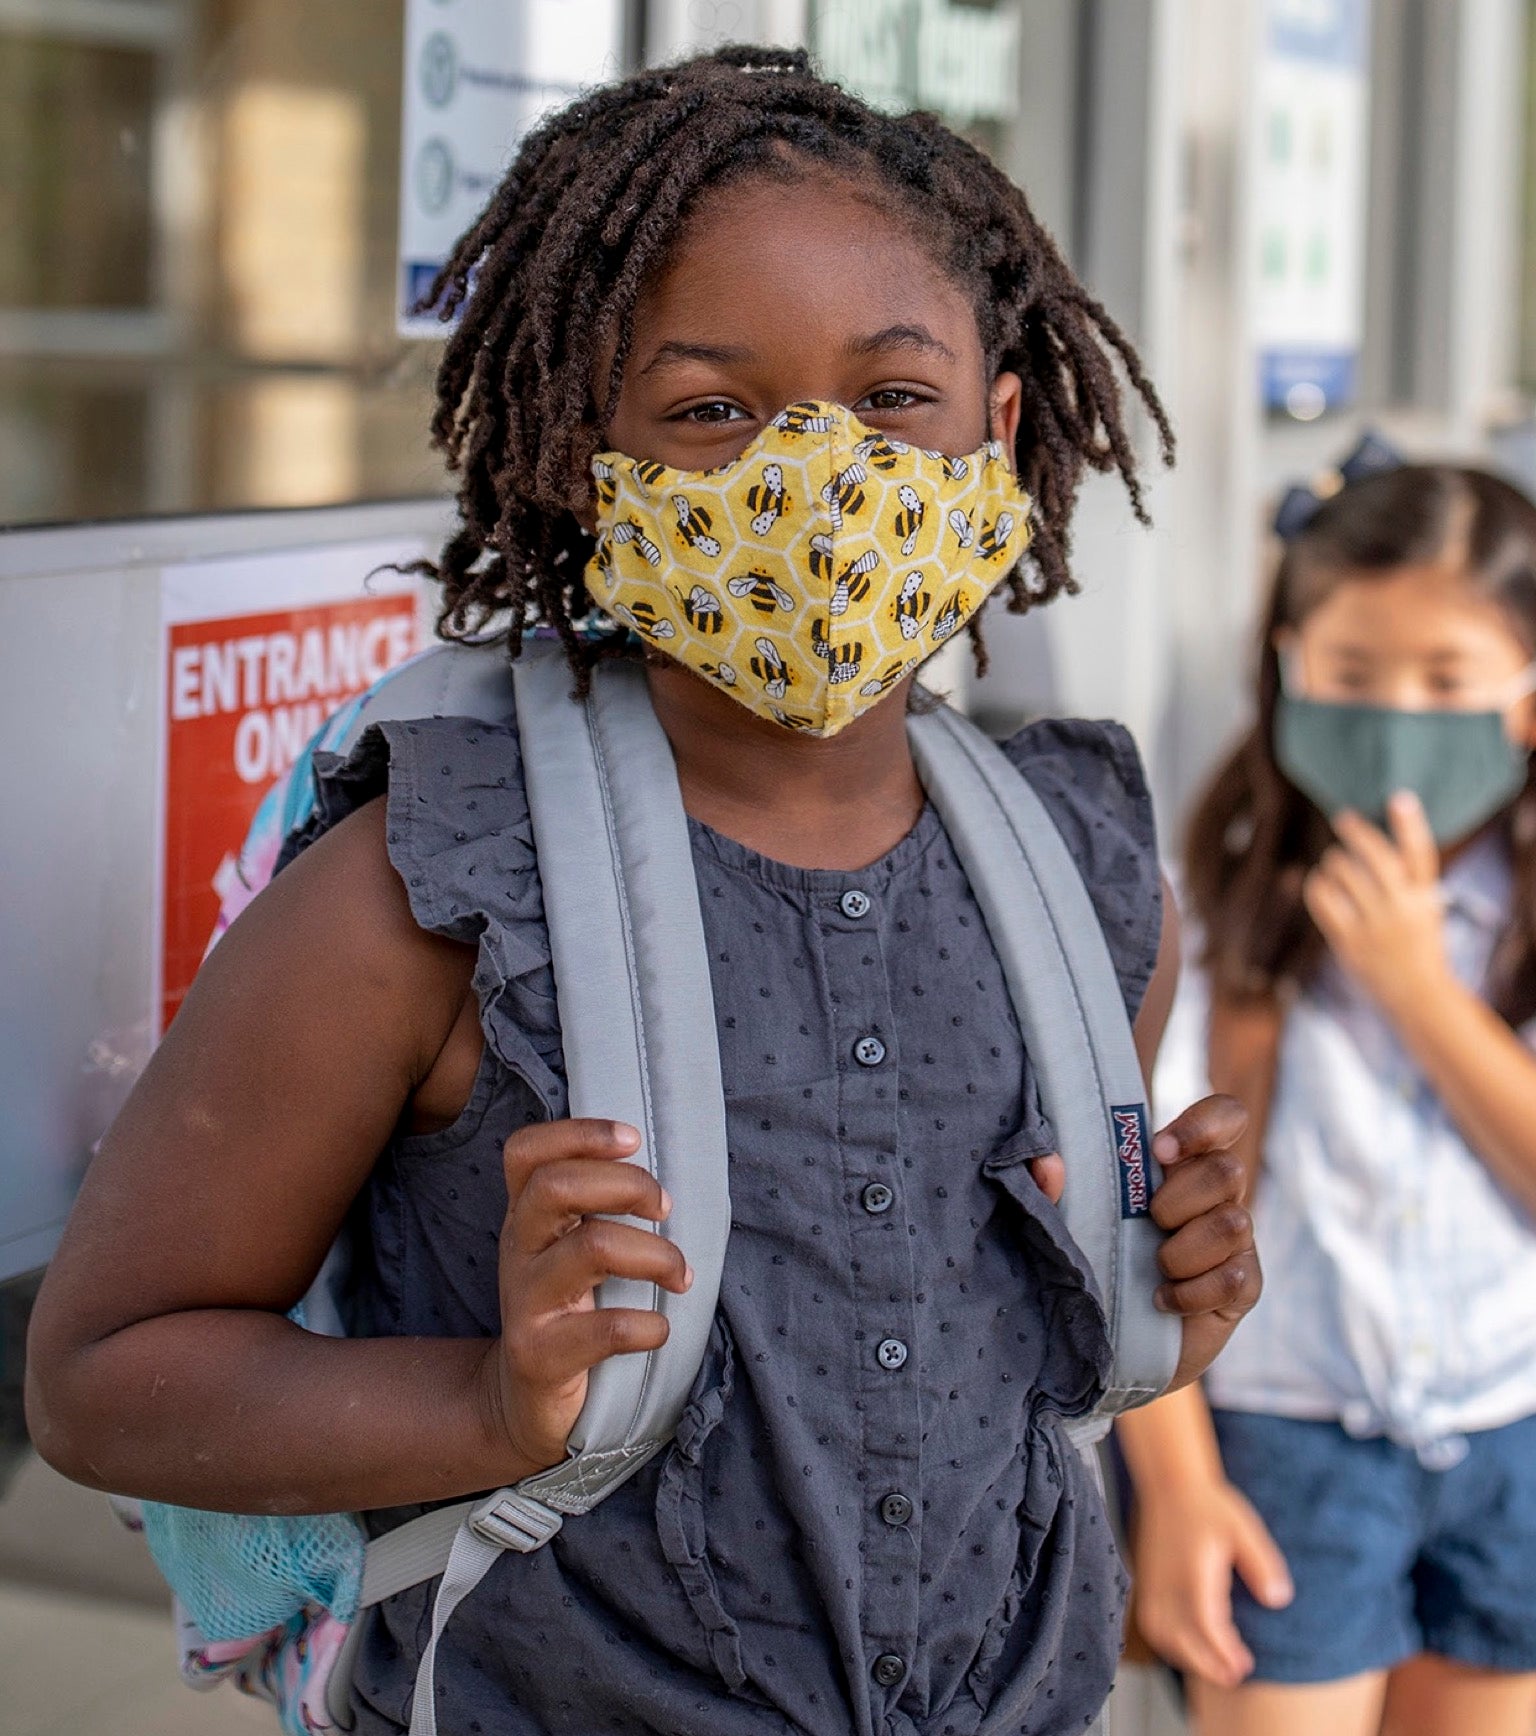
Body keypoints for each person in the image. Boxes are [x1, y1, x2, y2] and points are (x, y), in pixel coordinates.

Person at [25, 48, 1262, 1736]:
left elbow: (988, 1365)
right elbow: (105, 1377)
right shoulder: (433, 893)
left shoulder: (1081, 880)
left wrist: (1166, 1308)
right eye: (708, 412)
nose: (814, 481)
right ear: (580, 455)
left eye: (893, 398)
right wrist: (484, 1400)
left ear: (1004, 421)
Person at [1119, 463, 1536, 1736]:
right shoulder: (1205, 919)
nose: (1395, 716)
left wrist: (1415, 984)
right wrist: (1177, 1486)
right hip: (1285, 1436)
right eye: (1349, 674)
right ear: (1283, 671)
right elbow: (1142, 1228)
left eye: (1447, 682)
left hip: (1526, 1432)